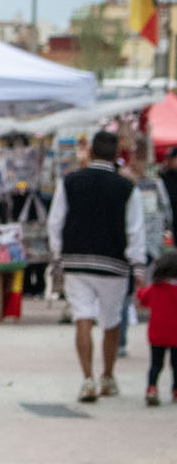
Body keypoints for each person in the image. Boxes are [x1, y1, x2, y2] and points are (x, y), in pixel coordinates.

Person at [48, 130, 147, 403]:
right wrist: (138, 265)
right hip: (113, 263)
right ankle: (108, 377)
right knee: (111, 321)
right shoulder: (127, 188)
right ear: (117, 155)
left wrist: (58, 255)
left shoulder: (70, 182)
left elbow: (55, 221)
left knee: (83, 317)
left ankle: (87, 379)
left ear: (90, 152)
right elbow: (135, 229)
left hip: (76, 260)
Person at [136, 250, 177, 406]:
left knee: (155, 364)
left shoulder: (156, 287)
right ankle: (175, 389)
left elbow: (143, 299)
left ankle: (152, 388)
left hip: (157, 333)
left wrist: (140, 288)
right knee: (176, 364)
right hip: (175, 334)